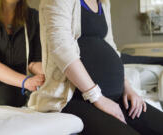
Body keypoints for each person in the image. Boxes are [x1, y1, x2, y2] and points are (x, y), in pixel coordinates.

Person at [31, 0, 163, 134]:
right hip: (74, 98)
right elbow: (61, 48)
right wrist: (97, 98)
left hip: (115, 96)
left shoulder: (103, 2)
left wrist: (128, 88)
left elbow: (111, 46)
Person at [0, 0, 44, 107]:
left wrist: (47, 77)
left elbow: (34, 61)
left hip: (21, 87)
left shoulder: (32, 17)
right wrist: (26, 81)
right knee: (7, 95)